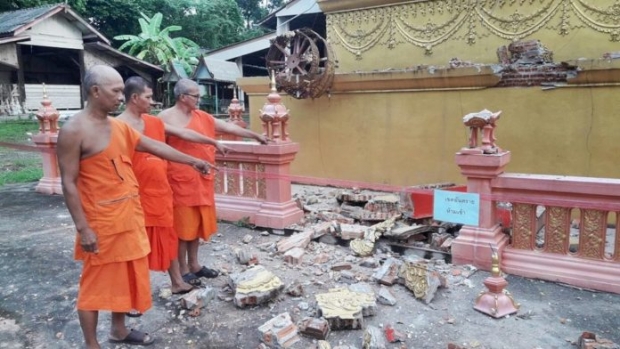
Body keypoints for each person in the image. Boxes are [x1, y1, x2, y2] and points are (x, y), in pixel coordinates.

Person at [57, 66, 212, 349]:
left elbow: (154, 146)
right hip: (101, 223)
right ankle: (92, 344)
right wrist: (84, 228)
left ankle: (119, 330)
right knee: (94, 287)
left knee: (127, 279)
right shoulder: (73, 130)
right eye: (115, 91)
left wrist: (192, 161)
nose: (121, 96)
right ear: (95, 91)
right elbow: (68, 183)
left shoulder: (119, 127)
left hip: (129, 216)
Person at [117, 76, 230, 295]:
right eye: (149, 97)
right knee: (133, 245)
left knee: (167, 237)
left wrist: (206, 149)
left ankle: (177, 281)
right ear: (134, 98)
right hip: (132, 193)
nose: (153, 102)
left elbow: (180, 136)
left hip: (160, 190)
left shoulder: (152, 122)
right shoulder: (117, 127)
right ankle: (130, 294)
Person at [159, 78, 269, 283]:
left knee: (197, 226)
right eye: (196, 96)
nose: (199, 100)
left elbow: (229, 127)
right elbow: (171, 141)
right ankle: (183, 270)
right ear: (182, 97)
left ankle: (195, 264)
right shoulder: (166, 117)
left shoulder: (202, 116)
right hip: (179, 179)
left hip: (202, 178)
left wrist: (255, 135)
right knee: (182, 229)